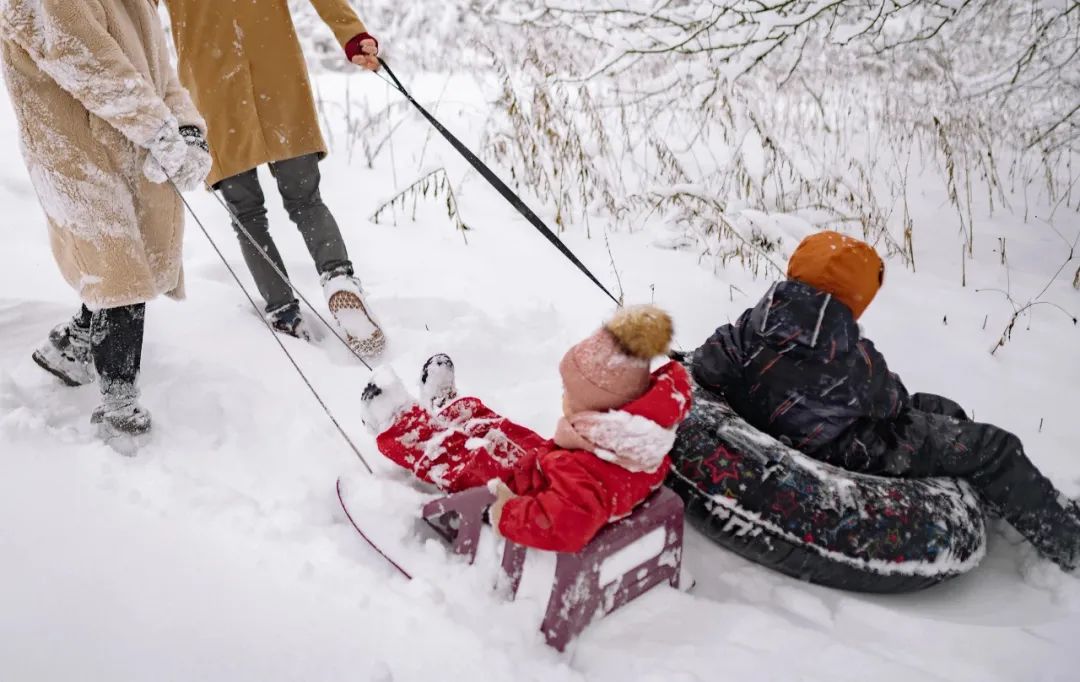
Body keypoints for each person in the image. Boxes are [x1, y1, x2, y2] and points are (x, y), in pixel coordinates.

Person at [691, 230, 1080, 571]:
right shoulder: (850, 355)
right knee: (993, 446)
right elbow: (893, 402)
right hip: (850, 450)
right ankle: (1068, 540)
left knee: (935, 408)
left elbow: (707, 365)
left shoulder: (749, 325)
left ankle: (983, 496)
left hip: (785, 428)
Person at [1, 0, 212, 439]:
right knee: (119, 270)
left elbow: (161, 74)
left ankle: (72, 345)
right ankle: (119, 408)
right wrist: (158, 131)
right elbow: (89, 64)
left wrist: (188, 131)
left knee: (129, 262)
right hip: (72, 151)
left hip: (130, 142)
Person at [358, 306, 693, 553]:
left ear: (601, 409)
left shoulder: (588, 473)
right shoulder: (633, 439)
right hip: (549, 471)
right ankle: (451, 411)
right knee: (504, 432)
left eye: (570, 395)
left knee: (465, 460)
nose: (564, 397)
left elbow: (564, 525)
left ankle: (401, 426)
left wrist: (507, 512)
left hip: (527, 496)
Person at [161, 0, 385, 356]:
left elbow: (129, 14)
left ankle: (283, 311)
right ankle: (338, 276)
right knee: (305, 200)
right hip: (275, 79)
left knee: (246, 214)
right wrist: (352, 34)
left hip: (215, 89)